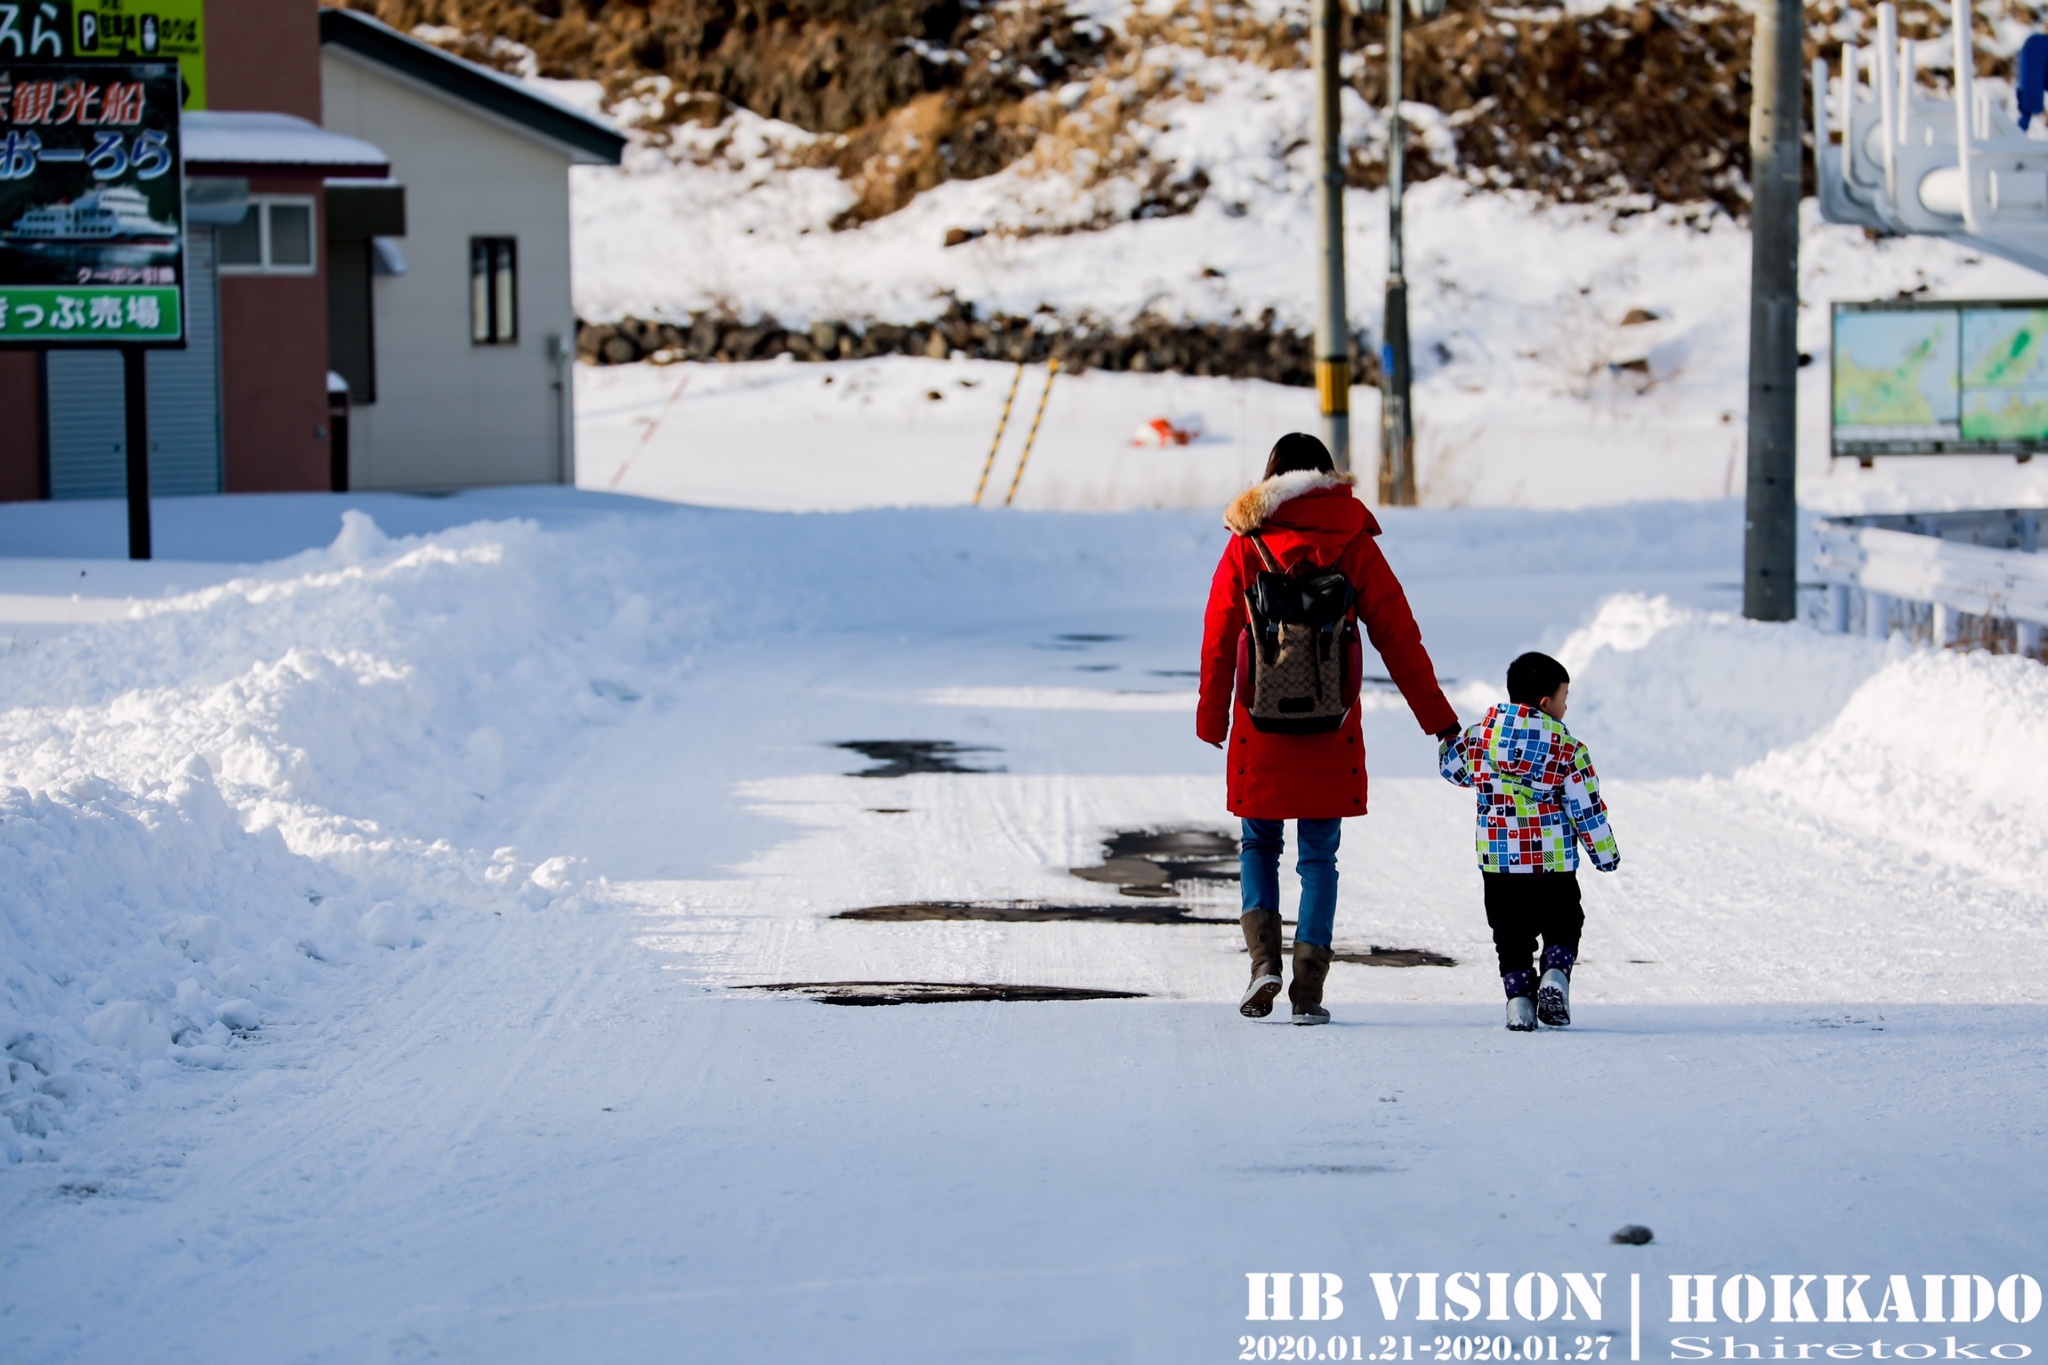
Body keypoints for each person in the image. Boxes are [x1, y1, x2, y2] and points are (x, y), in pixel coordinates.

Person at [1197, 433, 1459, 1025]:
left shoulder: (1247, 542)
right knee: (1319, 858)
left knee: (1259, 842)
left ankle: (1263, 962)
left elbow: (1218, 634)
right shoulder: (1354, 540)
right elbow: (1398, 634)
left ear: (1269, 480)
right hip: (1330, 724)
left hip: (1259, 726)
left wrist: (1212, 714)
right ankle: (1308, 992)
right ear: (1327, 476)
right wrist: (1439, 721)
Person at [1438, 650, 1620, 1032]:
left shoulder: (1480, 738)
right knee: (1565, 922)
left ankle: (1519, 1004)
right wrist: (1605, 856)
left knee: (1510, 935)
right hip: (1551, 862)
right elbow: (1586, 810)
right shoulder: (1569, 749)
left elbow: (1452, 768)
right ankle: (1555, 975)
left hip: (1499, 863)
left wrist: (1448, 740)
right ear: (1545, 703)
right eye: (1564, 699)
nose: (1566, 707)